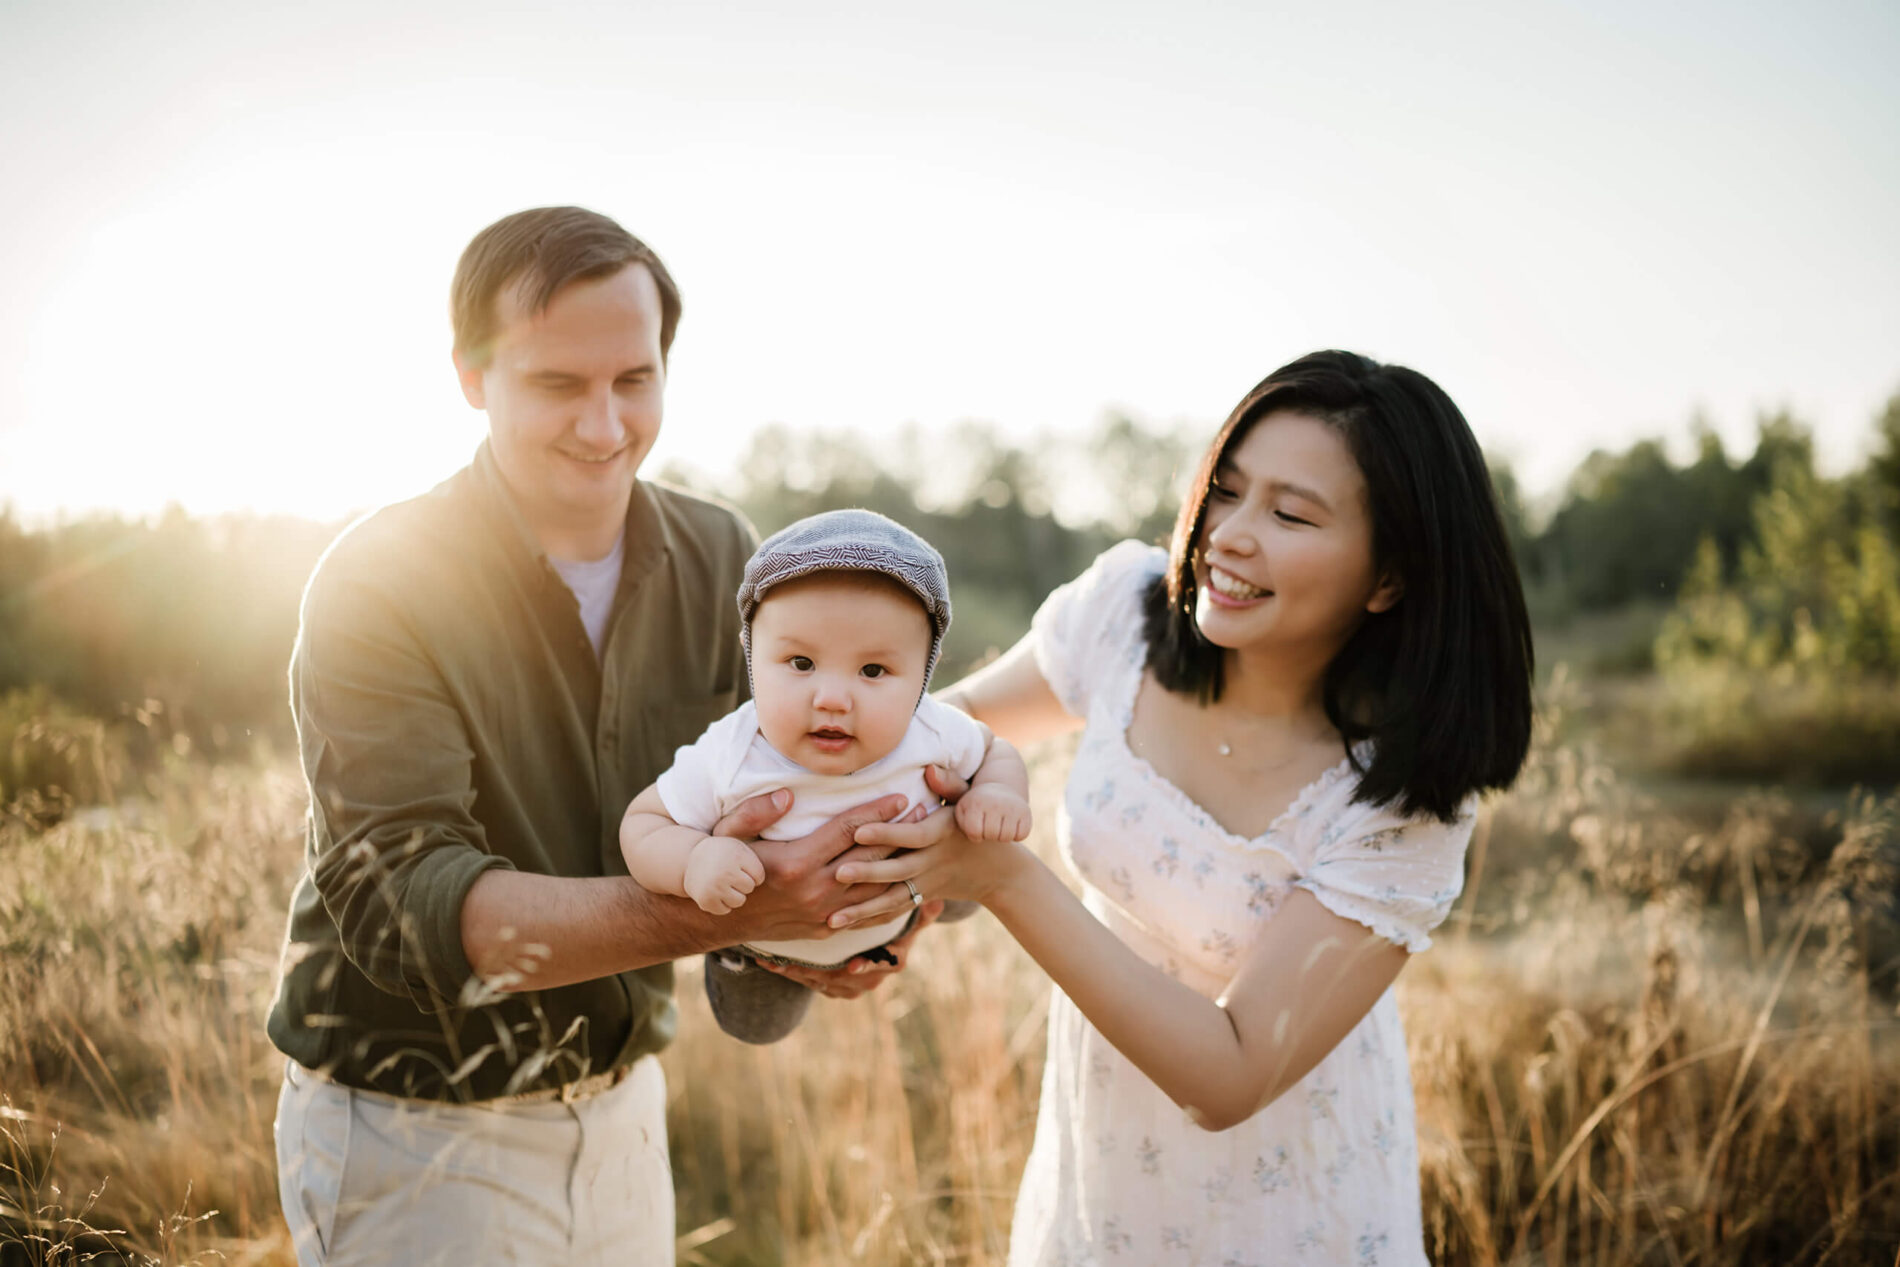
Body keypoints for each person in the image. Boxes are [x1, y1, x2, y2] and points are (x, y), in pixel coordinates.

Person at [264, 207, 933, 1267]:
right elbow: (404, 905)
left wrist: (828, 932)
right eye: (557, 385)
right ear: (470, 375)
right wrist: (734, 907)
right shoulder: (377, 580)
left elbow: (767, 800)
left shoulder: (726, 560)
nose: (605, 422)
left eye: (634, 378)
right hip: (411, 1129)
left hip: (625, 1111)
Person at [834, 351, 1535, 1265]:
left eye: (1289, 513)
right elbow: (942, 730)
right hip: (1106, 1179)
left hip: (1292, 1210)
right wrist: (882, 893)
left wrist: (1001, 877)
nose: (1230, 534)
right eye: (1227, 491)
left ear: (1389, 577)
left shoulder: (1403, 802)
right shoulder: (1126, 614)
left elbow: (1231, 1072)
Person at [620, 507, 1032, 1043]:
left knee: (974, 869)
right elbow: (643, 823)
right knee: (756, 1027)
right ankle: (742, 969)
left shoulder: (930, 729)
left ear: (922, 676)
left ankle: (931, 904)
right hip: (766, 946)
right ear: (753, 660)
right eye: (800, 664)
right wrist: (694, 859)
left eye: (873, 671)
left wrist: (998, 791)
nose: (833, 699)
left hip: (897, 907)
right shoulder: (733, 752)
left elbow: (997, 748)